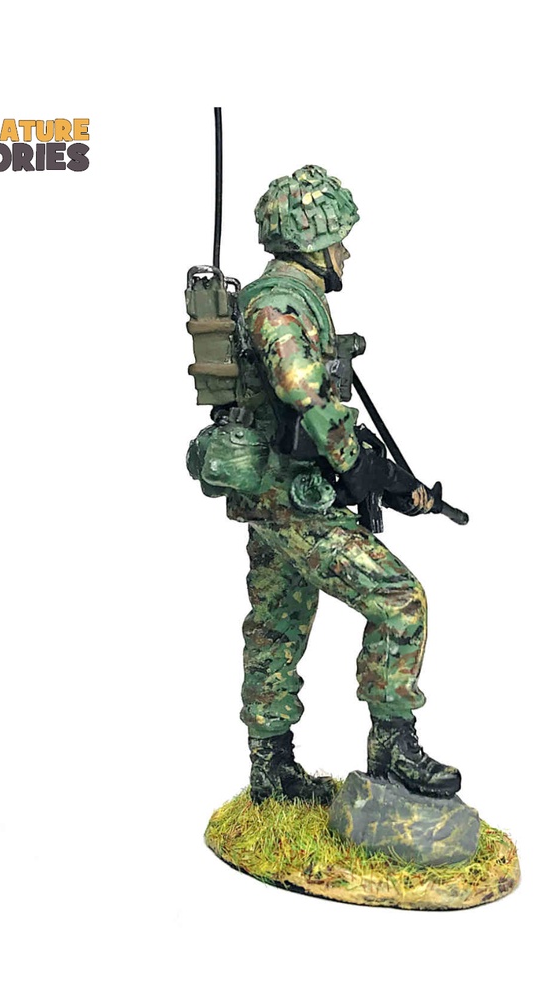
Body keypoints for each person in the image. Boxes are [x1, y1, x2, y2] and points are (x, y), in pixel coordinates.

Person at [223, 165, 460, 805]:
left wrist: (382, 476)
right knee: (400, 601)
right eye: (338, 241)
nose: (345, 254)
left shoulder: (281, 298)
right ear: (313, 240)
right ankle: (393, 750)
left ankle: (271, 771)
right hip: (297, 503)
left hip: (275, 499)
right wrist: (355, 464)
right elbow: (299, 388)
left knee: (276, 626)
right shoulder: (279, 304)